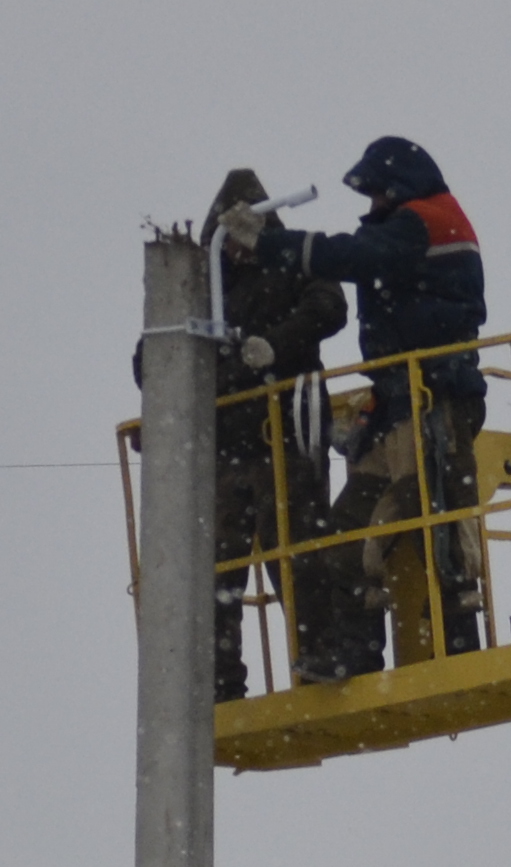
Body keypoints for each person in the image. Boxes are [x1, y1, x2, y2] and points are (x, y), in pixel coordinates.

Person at [237, 137, 489, 659]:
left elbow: (355, 256)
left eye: (375, 194)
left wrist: (268, 245)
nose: (371, 205)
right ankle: (359, 654)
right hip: (399, 403)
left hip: (434, 399)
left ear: (396, 188)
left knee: (438, 524)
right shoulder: (414, 222)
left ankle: (456, 641)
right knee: (347, 535)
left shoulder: (427, 219)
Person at [203, 169, 357, 691]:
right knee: (217, 569)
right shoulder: (200, 285)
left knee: (296, 550)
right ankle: (220, 681)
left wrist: (276, 343)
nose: (241, 252)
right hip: (223, 446)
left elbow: (331, 306)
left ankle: (321, 654)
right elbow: (148, 356)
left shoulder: (288, 262)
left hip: (286, 434)